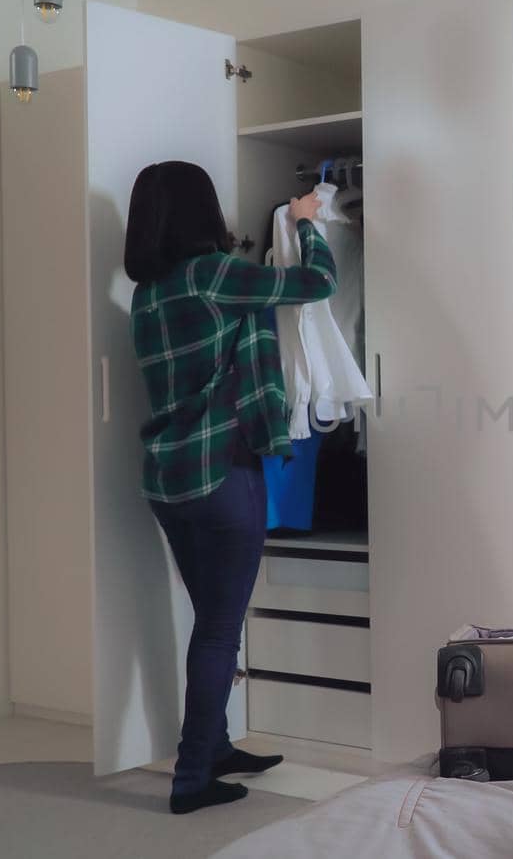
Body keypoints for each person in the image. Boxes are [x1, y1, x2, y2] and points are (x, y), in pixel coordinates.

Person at [125, 161, 335, 814]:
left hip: (169, 478)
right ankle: (192, 778)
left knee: (210, 619)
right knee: (220, 624)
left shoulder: (149, 294)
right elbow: (317, 283)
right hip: (222, 470)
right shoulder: (212, 275)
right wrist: (308, 226)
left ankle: (214, 748)